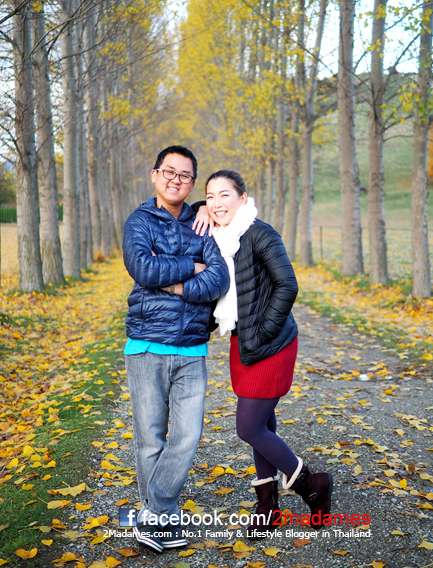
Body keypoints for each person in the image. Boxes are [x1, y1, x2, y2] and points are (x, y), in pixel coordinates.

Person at [192, 169, 333, 533]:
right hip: (242, 342)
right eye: (210, 196)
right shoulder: (219, 237)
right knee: (263, 423)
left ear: (243, 197)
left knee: (249, 427)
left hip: (271, 343)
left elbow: (288, 285)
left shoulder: (259, 233)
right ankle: (268, 506)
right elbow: (194, 216)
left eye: (225, 195)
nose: (216, 202)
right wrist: (200, 207)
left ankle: (312, 484)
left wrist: (263, 331)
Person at [122, 146, 230, 553]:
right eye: (169, 172)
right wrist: (191, 267)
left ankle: (152, 513)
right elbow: (142, 268)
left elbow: (217, 281)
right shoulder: (139, 221)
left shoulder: (204, 225)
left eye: (185, 175)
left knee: (186, 436)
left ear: (192, 183)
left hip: (191, 348)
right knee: (150, 438)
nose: (176, 180)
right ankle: (161, 519)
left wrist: (170, 281)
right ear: (155, 175)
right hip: (146, 345)